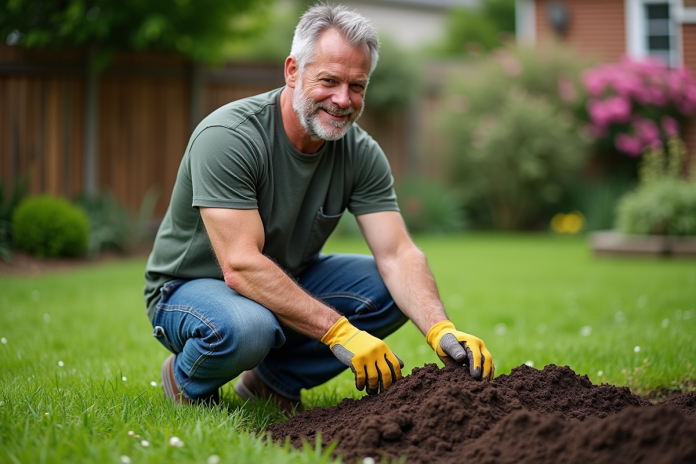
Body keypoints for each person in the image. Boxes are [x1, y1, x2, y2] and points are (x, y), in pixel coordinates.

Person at [144, 4, 494, 412]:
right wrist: (340, 332)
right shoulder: (229, 137)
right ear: (293, 71)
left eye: (357, 85)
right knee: (249, 328)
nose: (343, 100)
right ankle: (185, 377)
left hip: (284, 280)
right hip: (188, 290)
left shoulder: (360, 152)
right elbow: (239, 265)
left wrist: (441, 329)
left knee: (391, 291)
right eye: (329, 80)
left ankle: (272, 383)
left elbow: (397, 253)